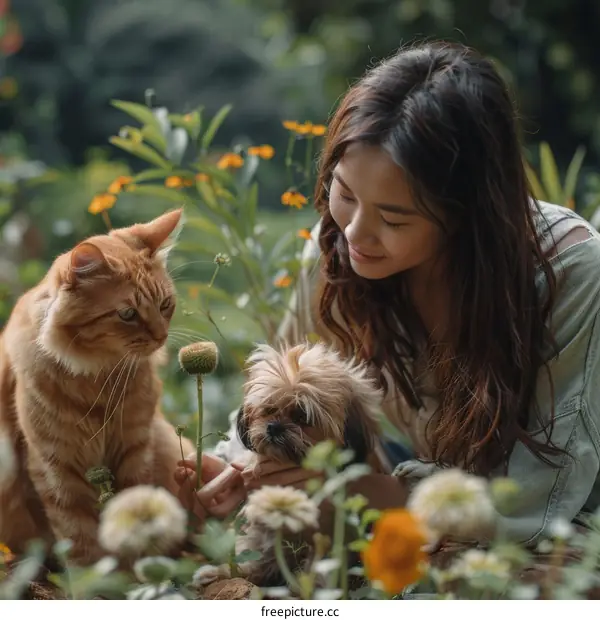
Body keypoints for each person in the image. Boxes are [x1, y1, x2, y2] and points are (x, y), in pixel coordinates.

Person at [174, 39, 600, 546]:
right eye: (345, 194)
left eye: (394, 217)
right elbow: (276, 388)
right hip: (410, 481)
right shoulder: (337, 252)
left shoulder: (569, 275)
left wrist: (365, 496)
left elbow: (539, 501)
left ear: (469, 213)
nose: (354, 233)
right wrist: (237, 469)